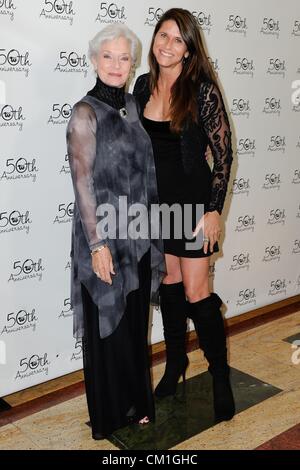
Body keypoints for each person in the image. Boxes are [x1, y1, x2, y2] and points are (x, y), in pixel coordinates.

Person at [133, 8, 235, 423]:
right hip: (156, 208)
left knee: (198, 294)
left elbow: (224, 156)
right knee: (170, 287)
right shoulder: (141, 86)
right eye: (163, 35)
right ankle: (176, 364)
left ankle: (220, 375)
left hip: (193, 207)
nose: (167, 45)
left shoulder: (202, 90)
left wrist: (213, 212)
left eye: (178, 39)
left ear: (190, 49)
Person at [67, 24, 165, 439]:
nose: (116, 64)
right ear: (94, 61)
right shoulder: (84, 114)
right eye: (108, 56)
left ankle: (137, 402)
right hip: (103, 237)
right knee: (108, 325)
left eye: (124, 57)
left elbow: (144, 171)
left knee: (133, 324)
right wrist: (97, 245)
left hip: (137, 236)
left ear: (132, 63)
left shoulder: (131, 104)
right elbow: (82, 182)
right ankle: (109, 413)